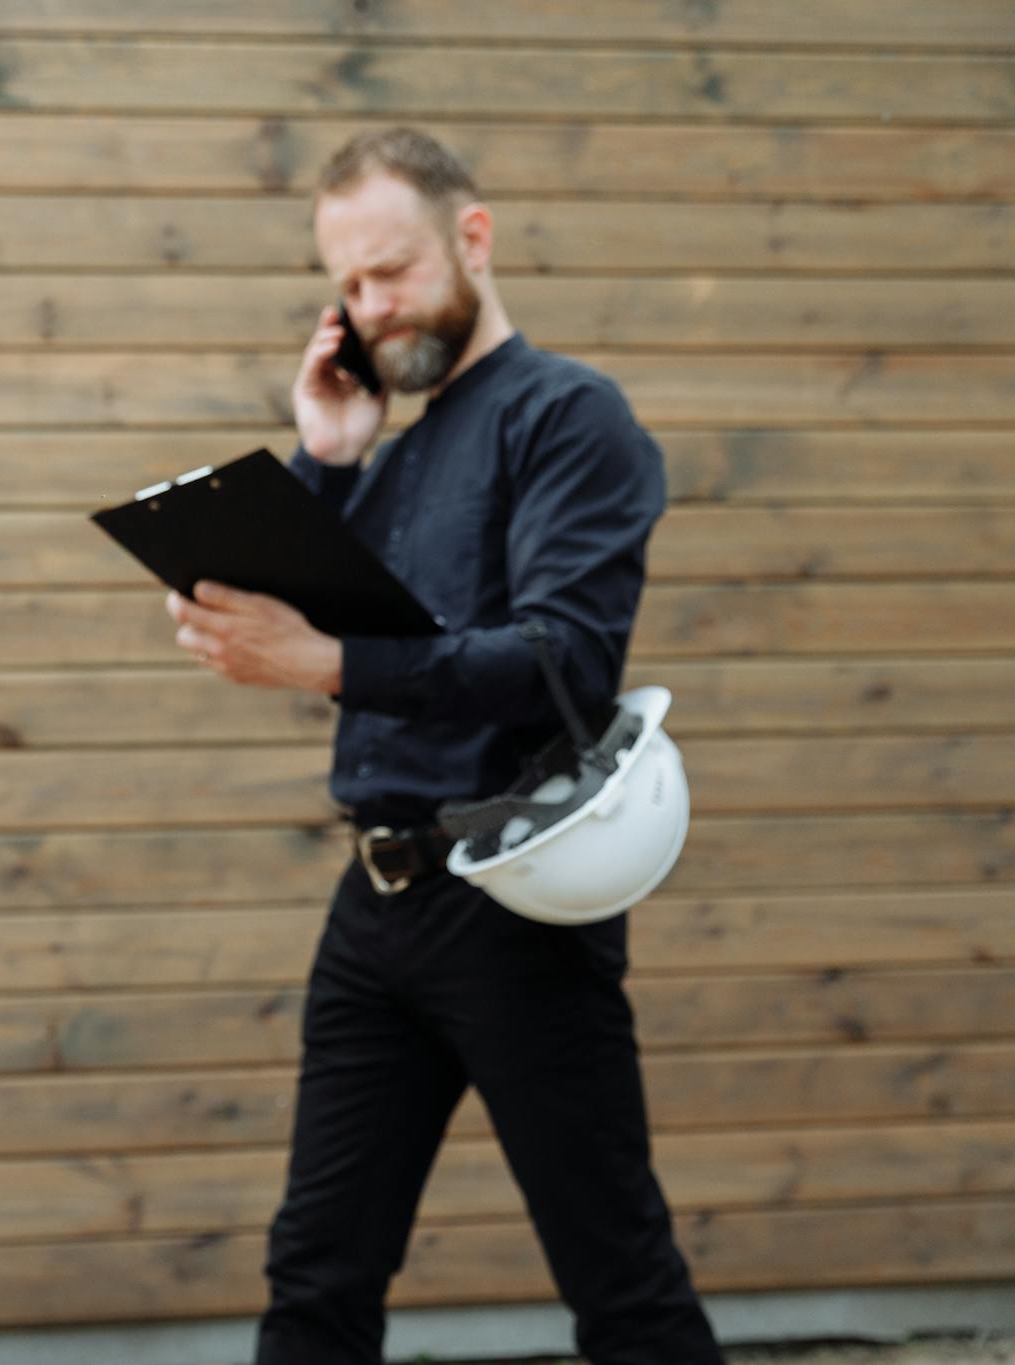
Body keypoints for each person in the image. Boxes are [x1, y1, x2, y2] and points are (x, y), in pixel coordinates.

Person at [164, 128, 726, 1364]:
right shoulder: (394, 449)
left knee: (617, 1283)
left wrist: (320, 663)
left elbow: (559, 661)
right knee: (314, 1275)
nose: (370, 311)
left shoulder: (567, 417)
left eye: (393, 272)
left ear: (471, 237)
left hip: (516, 902)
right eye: (348, 288)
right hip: (373, 907)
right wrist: (321, 463)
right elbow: (349, 628)